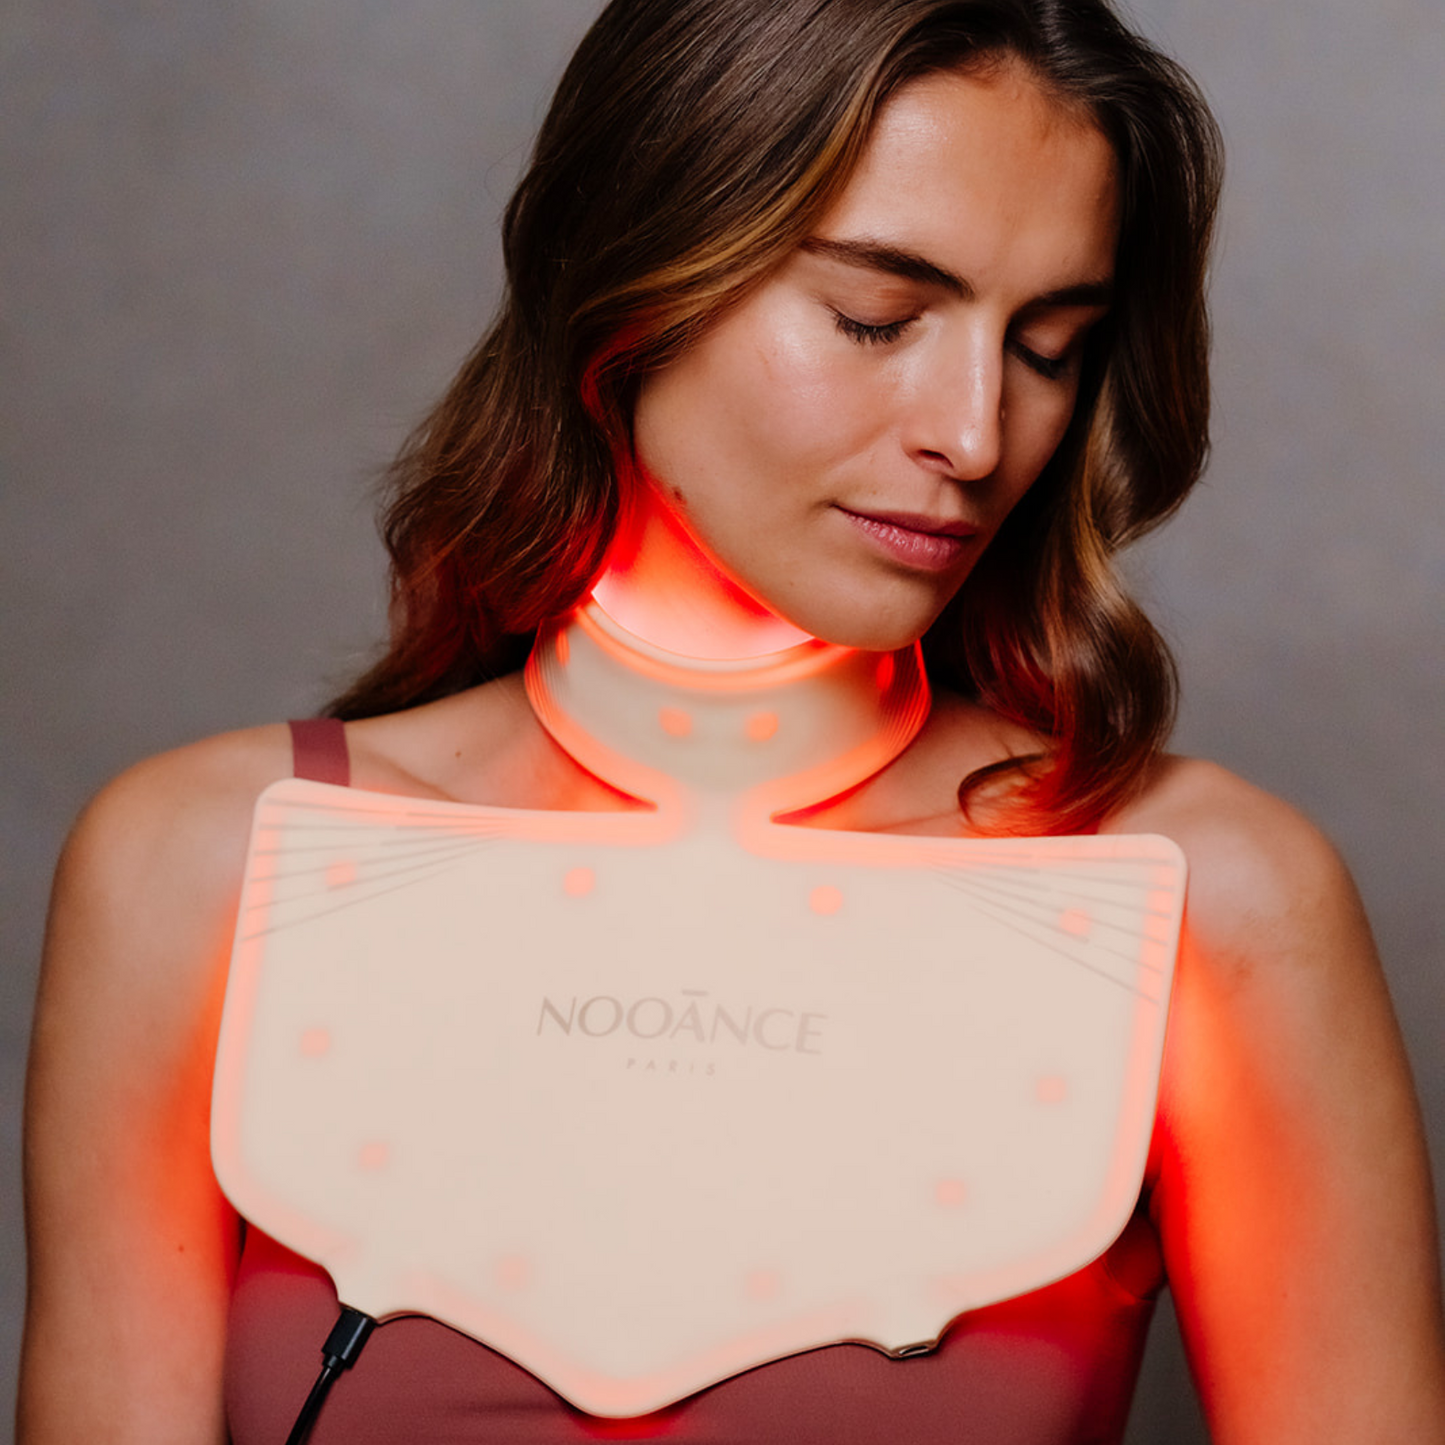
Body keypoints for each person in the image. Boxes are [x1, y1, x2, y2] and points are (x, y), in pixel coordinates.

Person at [19, 0, 1445, 1440]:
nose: (974, 434)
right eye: (875, 317)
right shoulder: (203, 872)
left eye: (1050, 347)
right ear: (637, 277)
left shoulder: (1204, 903)